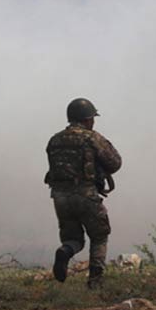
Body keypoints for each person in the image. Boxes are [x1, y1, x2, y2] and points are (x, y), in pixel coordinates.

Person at [45, 98, 122, 288]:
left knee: (73, 239)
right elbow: (115, 162)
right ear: (87, 119)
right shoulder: (91, 138)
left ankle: (65, 251)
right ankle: (95, 282)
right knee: (99, 235)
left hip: (60, 197)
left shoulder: (54, 140)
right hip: (85, 194)